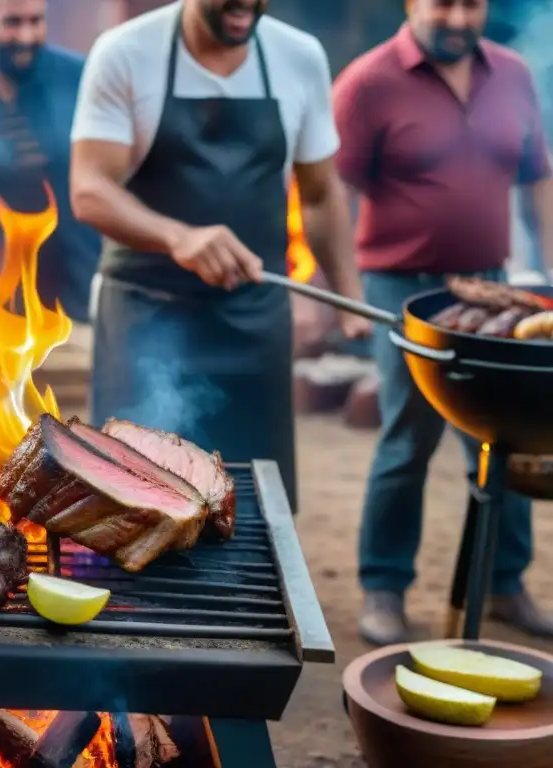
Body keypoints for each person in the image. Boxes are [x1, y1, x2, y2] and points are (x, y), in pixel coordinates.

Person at [69, 0, 370, 511]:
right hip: (148, 313)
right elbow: (90, 188)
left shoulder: (298, 57)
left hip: (254, 318)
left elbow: (319, 194)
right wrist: (177, 237)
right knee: (136, 502)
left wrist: (349, 296)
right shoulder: (125, 53)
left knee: (253, 506)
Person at [333, 0, 553, 645]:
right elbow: (331, 192)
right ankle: (383, 588)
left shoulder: (511, 72)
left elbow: (538, 176)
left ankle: (506, 585)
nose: (458, 17)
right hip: (401, 290)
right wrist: (336, 290)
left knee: (503, 438)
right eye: (443, 3)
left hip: (493, 288)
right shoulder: (368, 81)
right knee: (407, 437)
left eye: (472, 4)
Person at [0, 0, 101, 322]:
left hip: (70, 277)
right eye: (12, 22)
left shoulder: (78, 76)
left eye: (36, 21)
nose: (26, 36)